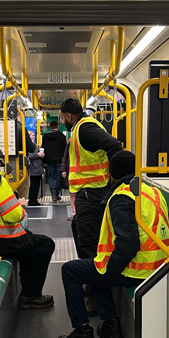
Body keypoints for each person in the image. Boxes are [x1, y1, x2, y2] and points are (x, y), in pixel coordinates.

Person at [56, 151, 169, 338]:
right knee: (97, 266)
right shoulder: (152, 192)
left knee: (72, 271)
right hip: (159, 266)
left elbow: (128, 244)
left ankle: (82, 333)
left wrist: (109, 268)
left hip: (137, 270)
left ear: (111, 174)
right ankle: (110, 325)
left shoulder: (121, 197)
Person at [0, 148, 55, 309]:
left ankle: (28, 291)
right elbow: (13, 215)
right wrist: (21, 206)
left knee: (30, 241)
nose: (0, 167)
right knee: (45, 244)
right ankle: (30, 296)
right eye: (0, 163)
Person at [58, 98, 123, 260]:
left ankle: (94, 282)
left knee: (88, 242)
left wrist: (115, 177)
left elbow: (114, 146)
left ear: (69, 116)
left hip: (92, 193)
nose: (61, 121)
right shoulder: (83, 127)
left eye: (61, 117)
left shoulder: (85, 128)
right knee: (78, 228)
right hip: (89, 191)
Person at [41, 120, 67, 202]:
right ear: (57, 126)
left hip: (49, 161)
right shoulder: (61, 136)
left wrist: (44, 161)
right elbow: (65, 150)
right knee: (58, 177)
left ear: (50, 127)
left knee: (51, 177)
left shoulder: (45, 137)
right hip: (59, 160)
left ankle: (52, 190)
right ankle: (56, 193)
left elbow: (43, 149)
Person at [61, 140, 74, 220]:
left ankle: (76, 212)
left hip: (73, 171)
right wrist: (64, 170)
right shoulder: (70, 143)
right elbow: (65, 157)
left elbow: (65, 157)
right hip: (72, 172)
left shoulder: (71, 142)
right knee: (73, 193)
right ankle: (75, 212)